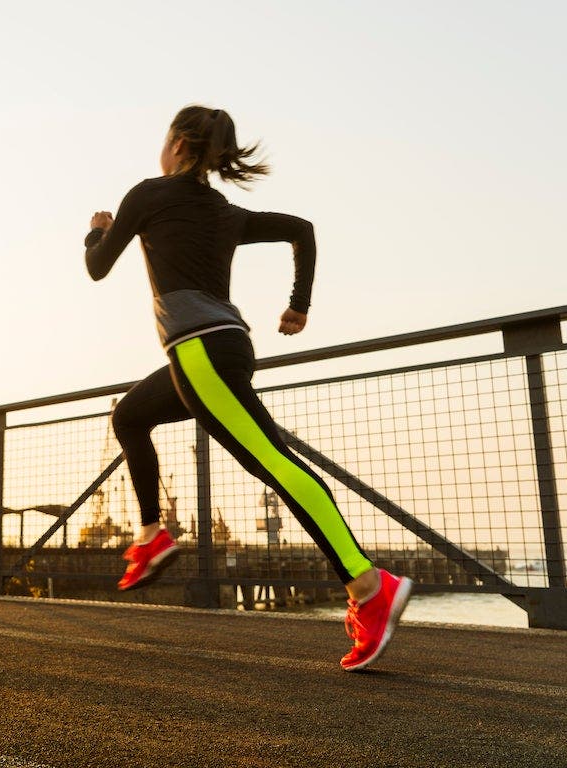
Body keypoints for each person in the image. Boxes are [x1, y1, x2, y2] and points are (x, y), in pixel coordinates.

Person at [83, 105, 412, 671]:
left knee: (275, 464)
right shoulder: (224, 211)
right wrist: (298, 306)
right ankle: (152, 534)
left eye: (164, 139)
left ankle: (367, 586)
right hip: (222, 348)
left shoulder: (148, 193)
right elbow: (301, 231)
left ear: (180, 145)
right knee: (131, 417)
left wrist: (99, 230)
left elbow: (96, 267)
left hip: (201, 352)